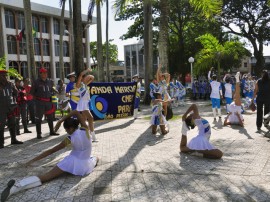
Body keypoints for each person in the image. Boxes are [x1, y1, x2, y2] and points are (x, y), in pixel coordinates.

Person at [0, 110, 98, 202]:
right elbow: (76, 112)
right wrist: (62, 120)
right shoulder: (86, 129)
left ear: (71, 128)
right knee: (95, 158)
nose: (66, 131)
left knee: (46, 177)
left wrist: (32, 161)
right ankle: (14, 188)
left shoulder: (69, 139)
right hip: (86, 165)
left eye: (66, 129)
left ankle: (15, 188)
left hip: (71, 162)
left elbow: (51, 151)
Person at [31, 67, 59, 139]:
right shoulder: (36, 82)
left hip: (48, 102)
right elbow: (32, 93)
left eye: (46, 72)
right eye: (43, 73)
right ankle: (39, 134)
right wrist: (36, 101)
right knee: (39, 118)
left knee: (50, 117)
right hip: (39, 102)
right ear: (40, 74)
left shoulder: (49, 81)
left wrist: (55, 91)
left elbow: (51, 89)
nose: (45, 74)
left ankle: (52, 131)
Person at [0, 70, 23, 149]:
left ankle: (13, 139)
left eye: (5, 76)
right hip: (1, 108)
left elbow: (16, 93)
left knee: (13, 123)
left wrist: (13, 100)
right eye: (2, 76)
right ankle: (1, 143)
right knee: (1, 125)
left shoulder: (10, 84)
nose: (5, 77)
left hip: (11, 107)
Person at [75, 68, 97, 141]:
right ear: (80, 78)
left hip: (86, 103)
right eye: (83, 77)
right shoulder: (78, 85)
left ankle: (81, 134)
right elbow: (81, 74)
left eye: (85, 77)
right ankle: (92, 136)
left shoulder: (84, 84)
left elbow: (92, 78)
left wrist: (89, 75)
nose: (84, 78)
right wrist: (87, 70)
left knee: (84, 120)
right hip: (82, 104)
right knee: (90, 118)